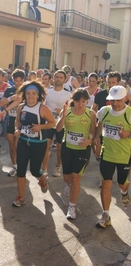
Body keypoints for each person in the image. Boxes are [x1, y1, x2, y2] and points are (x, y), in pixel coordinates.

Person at [12, 81, 55, 207]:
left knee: (35, 171)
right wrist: (16, 129)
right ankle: (21, 197)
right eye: (28, 93)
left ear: (38, 95)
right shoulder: (21, 107)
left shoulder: (42, 108)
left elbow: (52, 123)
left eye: (33, 93)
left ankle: (42, 178)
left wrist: (41, 126)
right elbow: (18, 120)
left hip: (38, 143)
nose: (31, 96)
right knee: (21, 170)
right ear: (25, 95)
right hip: (24, 142)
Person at [56, 89, 96, 220]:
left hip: (83, 150)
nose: (81, 104)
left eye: (84, 101)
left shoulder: (91, 114)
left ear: (87, 101)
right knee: (67, 178)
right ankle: (68, 185)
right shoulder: (67, 111)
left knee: (75, 178)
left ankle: (71, 207)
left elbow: (94, 134)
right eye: (78, 101)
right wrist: (63, 115)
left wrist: (89, 140)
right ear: (74, 100)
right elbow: (58, 128)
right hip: (67, 148)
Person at [94, 86, 131, 228]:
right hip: (107, 154)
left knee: (122, 183)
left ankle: (124, 192)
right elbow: (100, 124)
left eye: (118, 100)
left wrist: (128, 134)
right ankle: (106, 215)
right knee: (105, 184)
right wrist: (97, 136)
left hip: (124, 156)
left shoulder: (129, 114)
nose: (115, 104)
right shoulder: (104, 111)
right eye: (112, 100)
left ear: (126, 98)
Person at [42, 70, 72, 178]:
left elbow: (71, 110)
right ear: (53, 78)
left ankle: (58, 166)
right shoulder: (46, 91)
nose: (58, 79)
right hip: (48, 124)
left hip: (61, 125)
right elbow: (42, 105)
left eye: (61, 77)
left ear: (64, 80)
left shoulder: (68, 94)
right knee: (46, 147)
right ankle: (44, 169)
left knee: (59, 148)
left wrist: (63, 112)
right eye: (56, 77)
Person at [0, 69, 25, 176]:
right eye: (16, 80)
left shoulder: (26, 90)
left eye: (20, 80)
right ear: (12, 80)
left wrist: (6, 109)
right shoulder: (9, 90)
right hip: (11, 119)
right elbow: (1, 103)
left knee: (18, 146)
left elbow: (20, 101)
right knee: (12, 145)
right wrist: (9, 99)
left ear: (24, 80)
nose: (18, 83)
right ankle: (15, 166)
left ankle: (21, 165)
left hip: (23, 120)